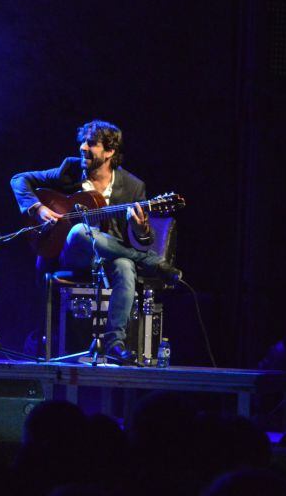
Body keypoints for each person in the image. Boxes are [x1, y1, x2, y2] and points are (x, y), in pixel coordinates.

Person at [10, 119, 180, 364]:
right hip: (69, 254)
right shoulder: (69, 169)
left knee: (125, 265)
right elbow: (18, 179)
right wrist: (37, 208)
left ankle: (114, 343)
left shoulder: (133, 186)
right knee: (80, 231)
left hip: (109, 256)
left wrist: (140, 228)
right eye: (82, 142)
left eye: (91, 144)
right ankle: (150, 262)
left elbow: (142, 239)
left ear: (110, 151)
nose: (82, 148)